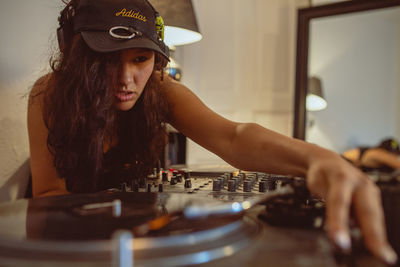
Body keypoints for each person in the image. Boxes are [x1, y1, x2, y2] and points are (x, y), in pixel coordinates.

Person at [27, 0, 397, 264]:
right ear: (78, 56)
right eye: (107, 61)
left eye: (140, 59)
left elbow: (233, 137)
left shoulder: (161, 89)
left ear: (156, 58)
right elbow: (48, 198)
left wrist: (318, 159)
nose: (126, 80)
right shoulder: (49, 95)